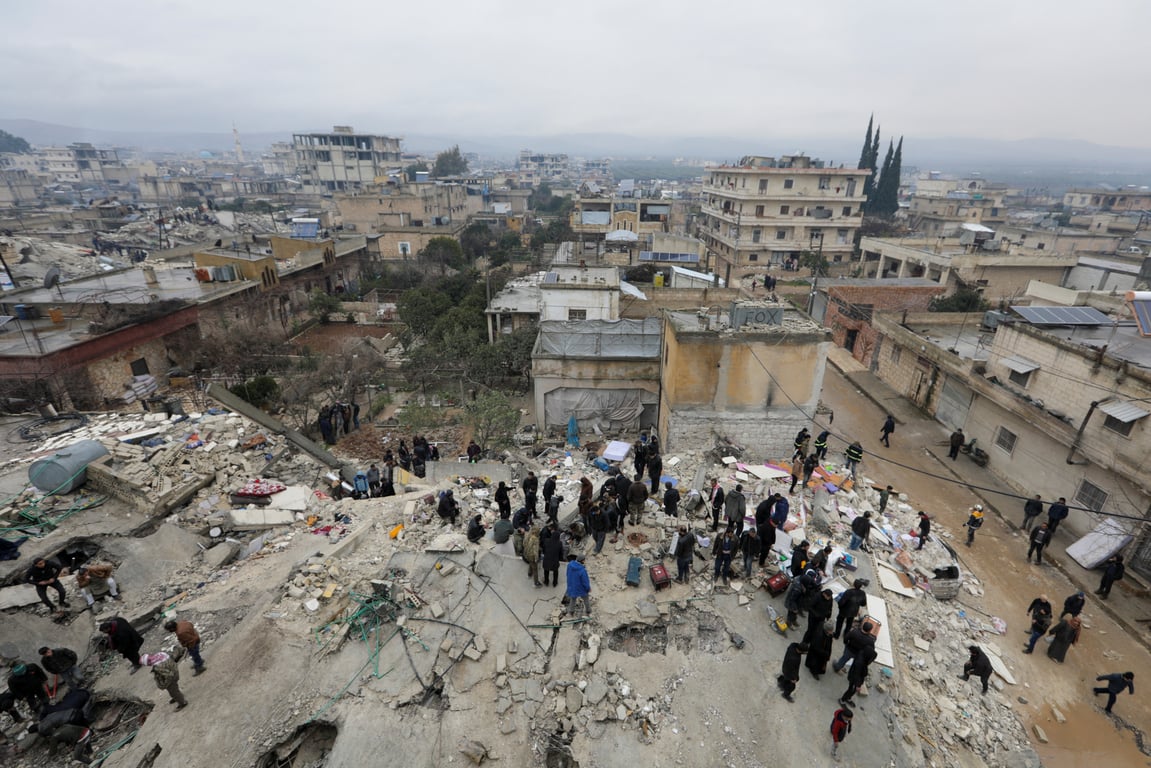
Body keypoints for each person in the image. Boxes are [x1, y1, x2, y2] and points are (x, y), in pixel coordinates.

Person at [840, 640, 876, 707]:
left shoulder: (862, 653)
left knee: (852, 690)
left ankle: (848, 698)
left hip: (857, 676)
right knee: (851, 690)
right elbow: (856, 675)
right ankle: (842, 700)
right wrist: (858, 685)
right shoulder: (859, 663)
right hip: (853, 678)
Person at [540, 522, 564, 587]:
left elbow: (544, 549)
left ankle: (546, 581)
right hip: (554, 561)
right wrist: (561, 559)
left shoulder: (546, 541)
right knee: (555, 571)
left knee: (546, 571)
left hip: (547, 559)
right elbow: (561, 553)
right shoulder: (559, 543)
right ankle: (555, 583)